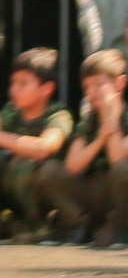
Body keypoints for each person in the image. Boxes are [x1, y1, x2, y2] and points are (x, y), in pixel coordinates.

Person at [0, 47, 71, 241]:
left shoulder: (58, 115)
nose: (14, 89)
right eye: (13, 82)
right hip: (15, 185)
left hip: (46, 190)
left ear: (46, 89)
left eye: (23, 84)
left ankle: (40, 227)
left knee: (23, 165)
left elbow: (45, 148)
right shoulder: (11, 113)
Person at [40, 50, 128, 244]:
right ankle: (81, 224)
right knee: (50, 171)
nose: (91, 92)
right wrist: (101, 137)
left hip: (119, 195)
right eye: (87, 86)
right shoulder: (89, 121)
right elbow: (73, 166)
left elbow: (118, 161)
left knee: (124, 170)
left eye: (99, 85)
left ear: (119, 83)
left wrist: (111, 118)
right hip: (94, 190)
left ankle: (121, 228)